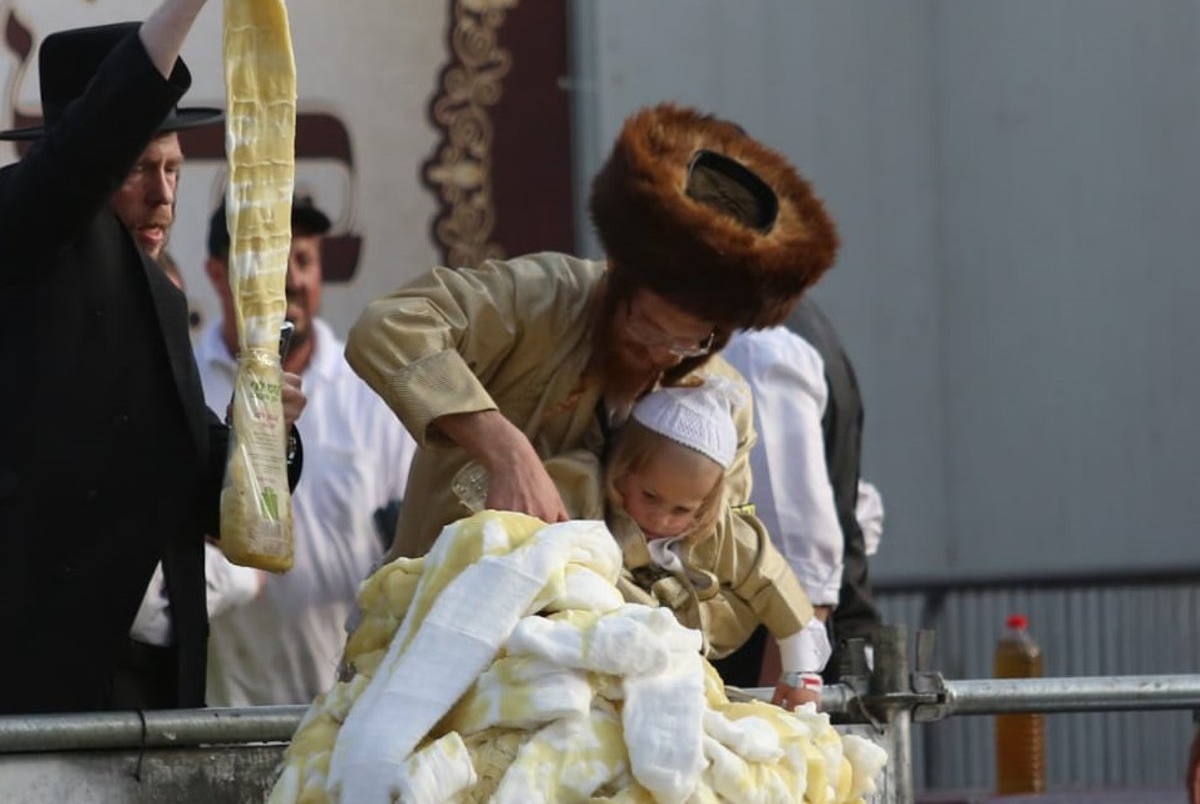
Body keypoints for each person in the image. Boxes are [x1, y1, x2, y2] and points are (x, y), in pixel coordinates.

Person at [0, 0, 306, 714]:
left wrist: (265, 438)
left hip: (160, 692)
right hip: (41, 683)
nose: (164, 196)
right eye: (140, 169)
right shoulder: (24, 233)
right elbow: (78, 160)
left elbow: (203, 493)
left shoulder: (164, 299)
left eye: (173, 169)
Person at [345, 103, 841, 566]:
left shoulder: (721, 404)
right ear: (617, 280)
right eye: (645, 325)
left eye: (688, 342)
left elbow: (717, 572)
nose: (659, 355)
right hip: (436, 618)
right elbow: (389, 326)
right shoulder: (541, 298)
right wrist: (504, 448)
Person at [198, 197, 417, 706]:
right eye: (271, 259)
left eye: (304, 260)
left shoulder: (372, 393)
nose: (291, 279)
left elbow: (416, 543)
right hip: (219, 718)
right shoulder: (183, 386)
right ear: (216, 273)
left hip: (347, 715)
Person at [600, 379, 830, 709]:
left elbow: (779, 590)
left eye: (682, 509)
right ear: (621, 471)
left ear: (708, 503)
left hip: (693, 669)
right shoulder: (592, 501)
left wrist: (800, 676)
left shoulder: (722, 533)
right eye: (649, 496)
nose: (661, 520)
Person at [717, 297, 884, 687]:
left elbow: (801, 565)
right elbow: (857, 504)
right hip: (804, 658)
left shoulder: (756, 349)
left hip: (787, 668)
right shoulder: (784, 327)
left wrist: (775, 723)